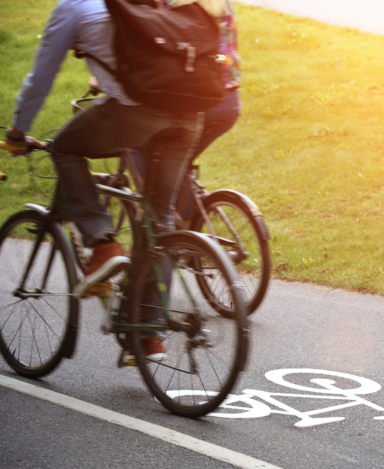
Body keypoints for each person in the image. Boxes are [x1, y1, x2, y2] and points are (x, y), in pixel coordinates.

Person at [6, 0, 202, 357]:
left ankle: (102, 242)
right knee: (158, 218)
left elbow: (41, 77)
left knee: (64, 148)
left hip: (137, 111)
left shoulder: (73, 7)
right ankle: (148, 332)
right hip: (189, 114)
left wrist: (18, 131)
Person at [128, 0, 241, 228]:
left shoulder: (170, 4)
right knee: (179, 159)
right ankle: (189, 236)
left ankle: (169, 224)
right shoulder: (222, 3)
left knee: (138, 144)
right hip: (229, 101)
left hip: (198, 99)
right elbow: (223, 54)